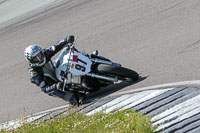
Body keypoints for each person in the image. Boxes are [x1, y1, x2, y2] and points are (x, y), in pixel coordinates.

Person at [24, 35, 85, 106]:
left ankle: (86, 59)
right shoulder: (34, 73)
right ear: (31, 60)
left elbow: (55, 47)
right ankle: (72, 97)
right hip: (55, 84)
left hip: (57, 70)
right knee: (76, 100)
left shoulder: (45, 53)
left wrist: (66, 40)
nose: (39, 58)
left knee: (67, 49)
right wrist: (55, 86)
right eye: (35, 58)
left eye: (39, 55)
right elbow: (45, 89)